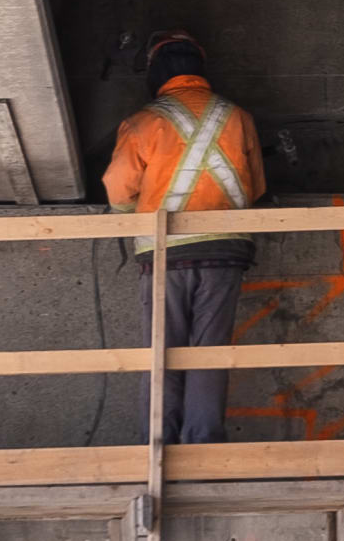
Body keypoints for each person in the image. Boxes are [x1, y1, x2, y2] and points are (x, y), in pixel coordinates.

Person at [104, 32, 267, 445]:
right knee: (208, 355)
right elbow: (257, 187)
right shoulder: (238, 117)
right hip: (225, 251)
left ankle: (156, 447)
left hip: (163, 254)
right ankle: (203, 446)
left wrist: (135, 217)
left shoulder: (143, 122)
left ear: (156, 72)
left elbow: (118, 190)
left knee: (162, 355)